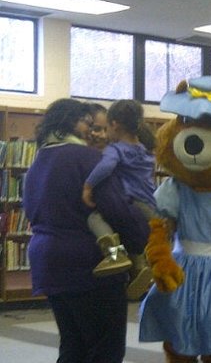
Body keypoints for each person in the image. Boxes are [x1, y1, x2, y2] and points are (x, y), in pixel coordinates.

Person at [22, 98, 149, 363]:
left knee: (73, 345)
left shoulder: (37, 163)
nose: (91, 130)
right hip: (91, 266)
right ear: (69, 121)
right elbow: (116, 208)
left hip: (49, 263)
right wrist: (143, 240)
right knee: (105, 350)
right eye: (86, 123)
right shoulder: (88, 158)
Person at [82, 99, 156, 300]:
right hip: (150, 206)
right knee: (135, 242)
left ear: (114, 124)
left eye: (105, 128)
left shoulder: (115, 150)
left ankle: (113, 255)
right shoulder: (143, 149)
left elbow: (105, 168)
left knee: (95, 219)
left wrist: (88, 186)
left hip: (131, 203)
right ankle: (140, 269)